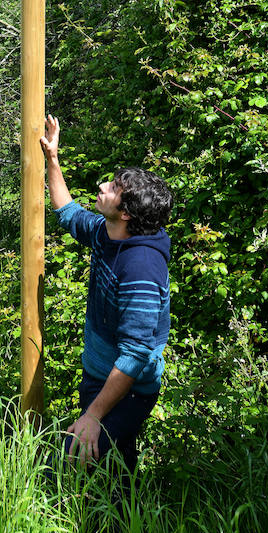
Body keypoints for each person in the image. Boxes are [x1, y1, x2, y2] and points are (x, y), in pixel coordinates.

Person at [40, 114, 173, 477]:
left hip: (129, 389)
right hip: (98, 374)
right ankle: (128, 529)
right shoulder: (106, 231)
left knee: (69, 461)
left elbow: (136, 354)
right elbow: (68, 214)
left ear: (126, 213)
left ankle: (106, 528)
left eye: (112, 188)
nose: (102, 186)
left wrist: (93, 415)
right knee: (115, 470)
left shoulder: (141, 268)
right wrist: (52, 158)